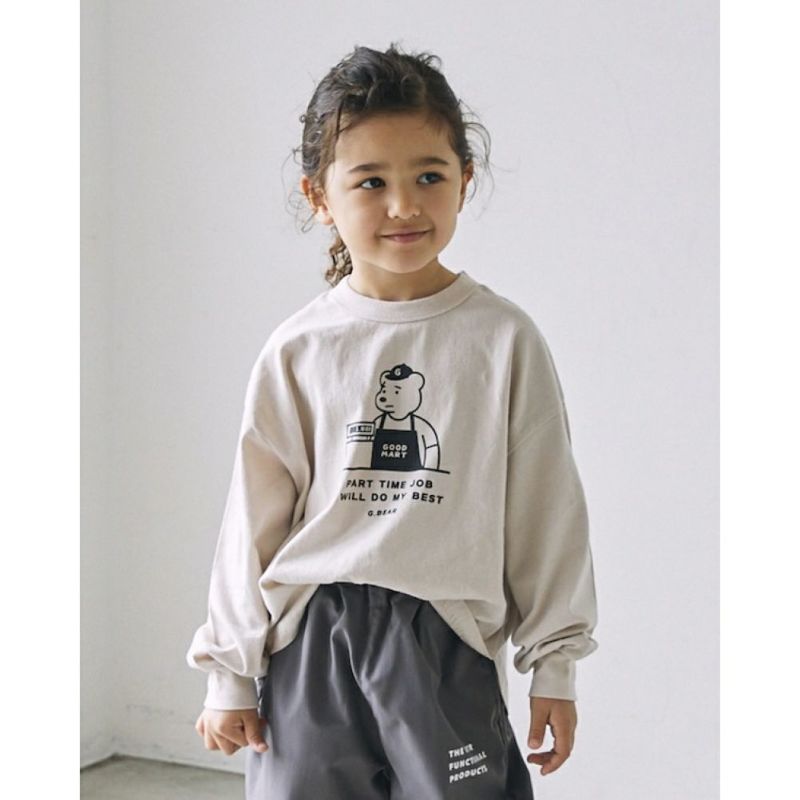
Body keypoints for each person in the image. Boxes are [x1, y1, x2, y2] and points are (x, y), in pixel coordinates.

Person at [186, 42, 599, 799]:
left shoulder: (503, 339)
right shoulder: (301, 347)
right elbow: (252, 520)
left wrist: (555, 664)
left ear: (464, 180)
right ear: (320, 196)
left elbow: (546, 511)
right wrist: (230, 673)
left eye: (429, 177)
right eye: (371, 181)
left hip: (447, 640)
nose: (403, 205)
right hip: (311, 636)